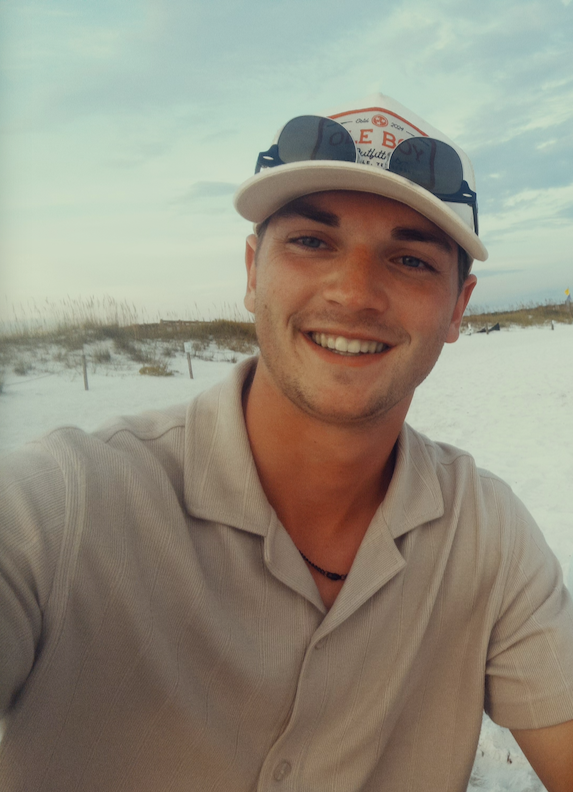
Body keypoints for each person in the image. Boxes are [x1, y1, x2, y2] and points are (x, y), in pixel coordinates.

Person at [1, 93, 572, 792]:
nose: (354, 292)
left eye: (410, 260)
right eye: (311, 242)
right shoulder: (62, 507)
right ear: (252, 271)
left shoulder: (488, 536)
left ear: (458, 307)